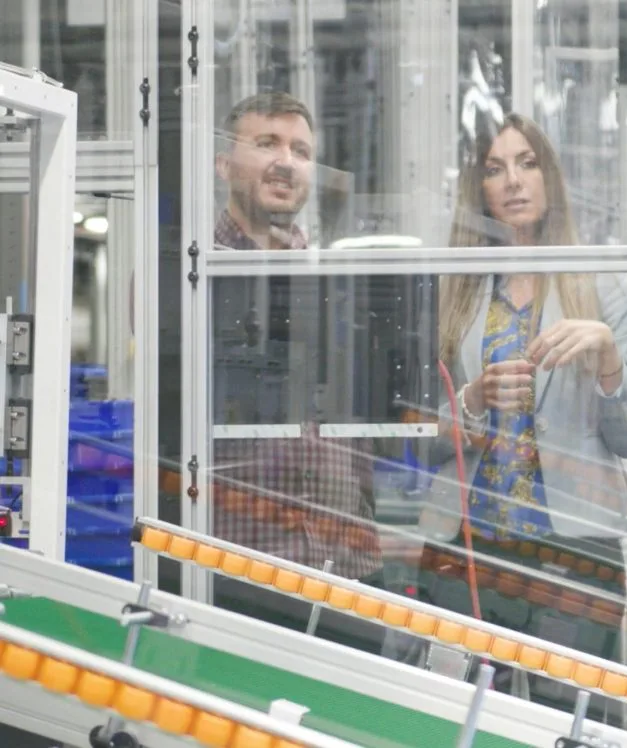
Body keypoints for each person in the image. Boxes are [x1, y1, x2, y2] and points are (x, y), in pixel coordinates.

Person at [411, 113, 627, 702]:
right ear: (479, 191)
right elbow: (417, 436)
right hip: (467, 547)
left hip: (574, 551)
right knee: (453, 723)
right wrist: (468, 400)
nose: (514, 181)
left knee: (570, 724)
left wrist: (608, 361)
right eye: (495, 169)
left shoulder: (600, 285)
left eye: (527, 164)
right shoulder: (455, 289)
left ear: (550, 180)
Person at [208, 91, 384, 652]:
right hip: (239, 568)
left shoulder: (338, 280)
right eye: (266, 144)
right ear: (223, 164)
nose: (286, 160)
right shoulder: (191, 274)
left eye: (301, 150)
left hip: (347, 570)